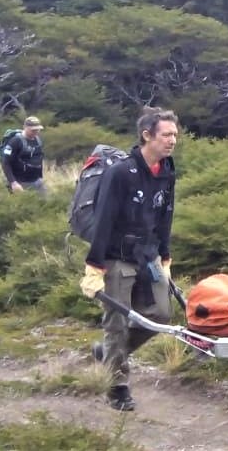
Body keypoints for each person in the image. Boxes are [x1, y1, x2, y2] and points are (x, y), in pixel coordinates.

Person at [79, 107, 179, 411]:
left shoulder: (167, 169)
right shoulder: (120, 172)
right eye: (166, 134)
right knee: (117, 323)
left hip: (148, 256)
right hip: (116, 257)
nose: (172, 140)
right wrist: (94, 266)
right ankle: (117, 387)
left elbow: (165, 215)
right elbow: (104, 219)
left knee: (161, 315)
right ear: (147, 135)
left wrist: (165, 256)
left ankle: (109, 354)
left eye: (175, 134)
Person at [0, 115, 47, 196]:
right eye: (33, 130)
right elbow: (5, 162)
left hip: (36, 181)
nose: (35, 132)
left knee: (45, 205)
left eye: (37, 129)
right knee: (23, 205)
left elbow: (38, 157)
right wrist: (13, 183)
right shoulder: (15, 141)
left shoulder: (37, 140)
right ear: (25, 127)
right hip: (20, 182)